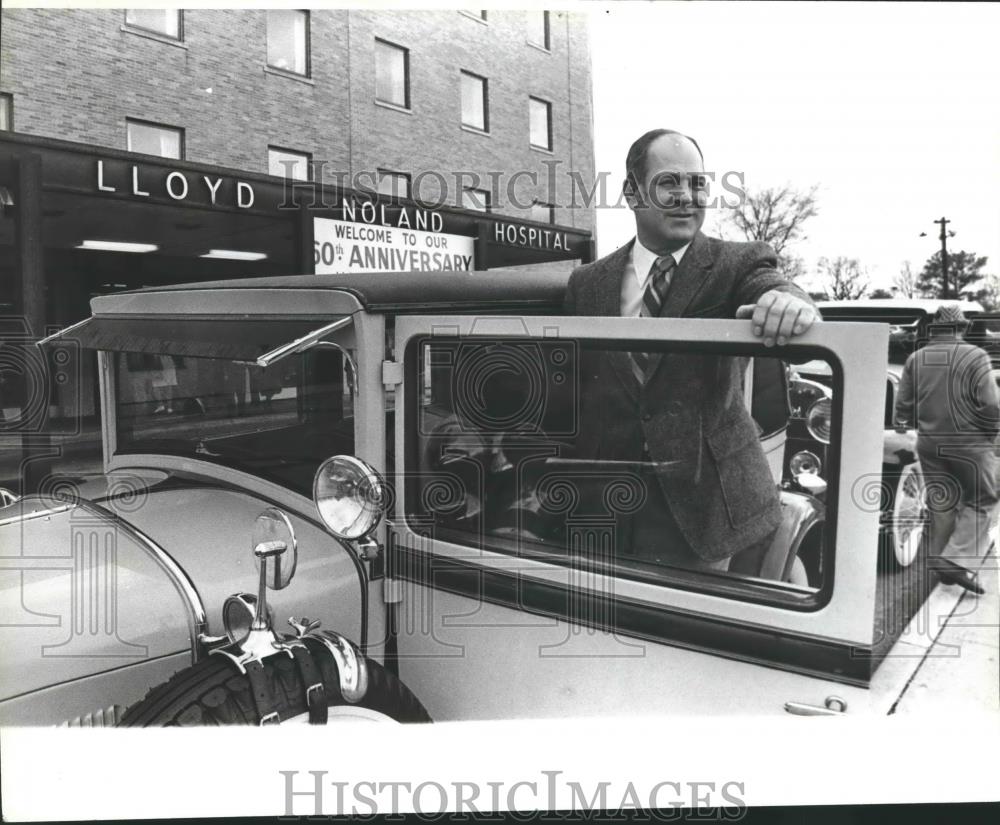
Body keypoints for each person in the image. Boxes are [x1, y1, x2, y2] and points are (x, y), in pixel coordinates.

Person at [563, 128, 818, 571]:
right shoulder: (588, 284)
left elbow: (773, 285)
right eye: (669, 183)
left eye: (697, 183)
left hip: (710, 512)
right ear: (631, 192)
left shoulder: (737, 263)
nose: (687, 196)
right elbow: (572, 394)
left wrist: (787, 303)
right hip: (611, 513)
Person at [894, 304, 999, 595]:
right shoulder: (975, 356)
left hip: (929, 442)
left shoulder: (916, 358)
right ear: (961, 328)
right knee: (982, 499)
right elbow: (991, 404)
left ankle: (946, 571)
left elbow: (902, 406)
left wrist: (902, 425)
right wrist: (990, 434)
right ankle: (953, 562)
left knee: (943, 504)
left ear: (936, 329)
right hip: (970, 442)